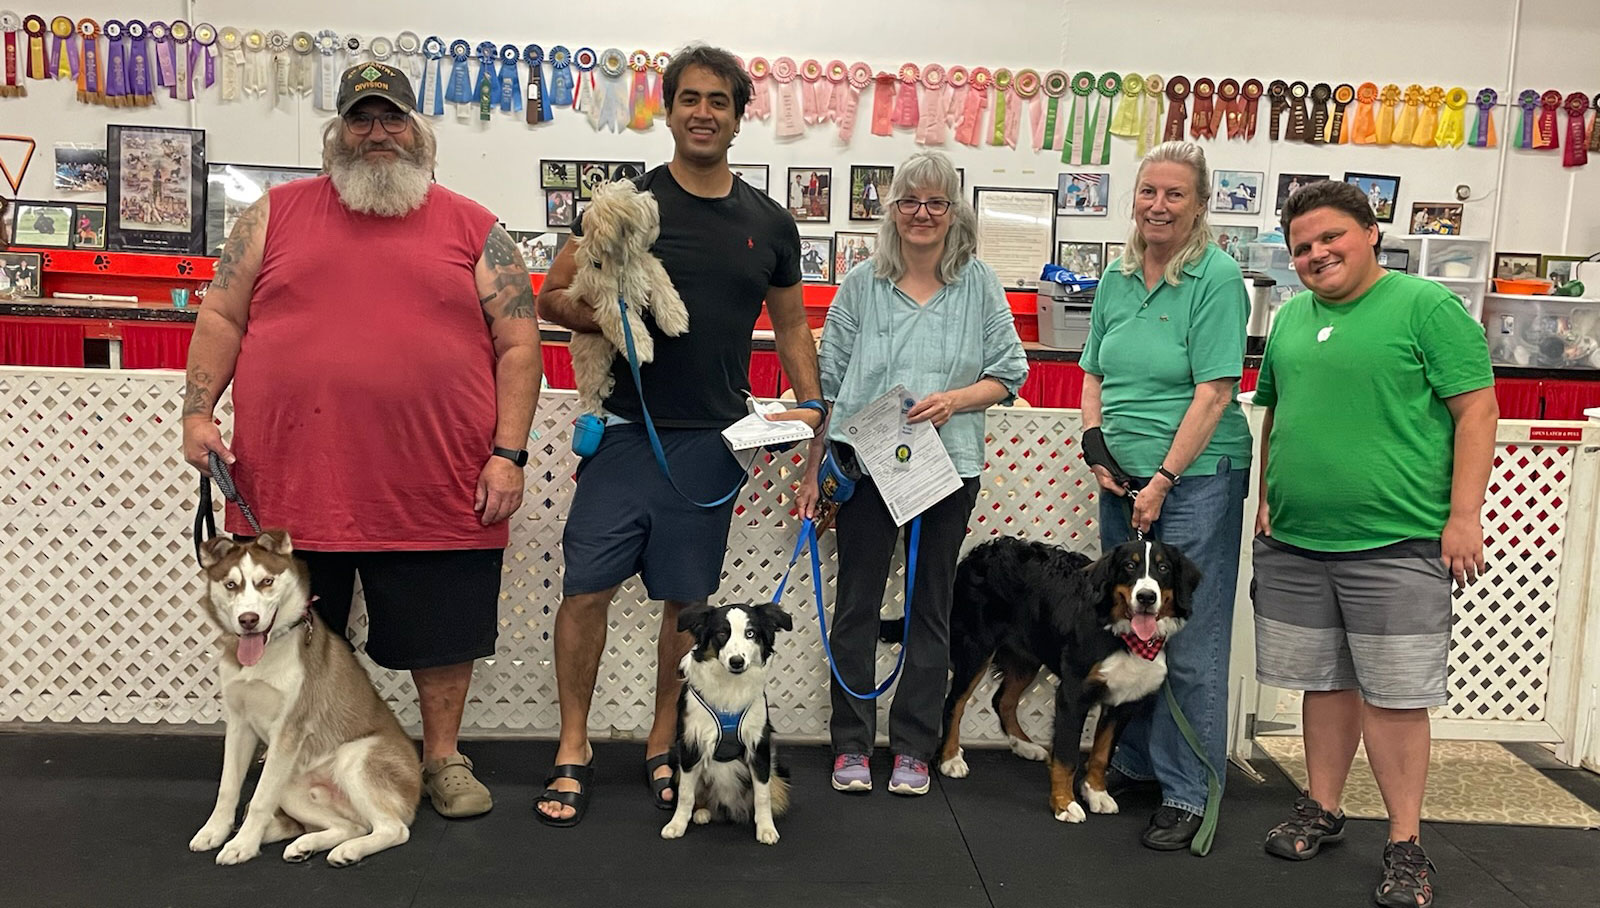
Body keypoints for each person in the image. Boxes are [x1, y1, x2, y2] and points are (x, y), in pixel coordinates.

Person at [180, 62, 543, 820]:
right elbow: (220, 317)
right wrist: (197, 413)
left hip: (437, 484)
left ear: (421, 131)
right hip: (291, 484)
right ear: (336, 135)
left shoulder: (477, 227)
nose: (378, 133)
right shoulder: (272, 215)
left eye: (393, 118)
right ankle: (301, 768)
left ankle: (442, 759)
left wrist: (508, 454)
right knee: (296, 643)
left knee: (443, 637)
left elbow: (519, 344)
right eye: (361, 119)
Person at [533, 43, 825, 826]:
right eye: (689, 98)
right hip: (627, 435)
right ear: (670, 108)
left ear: (738, 116)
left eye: (718, 101)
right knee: (585, 591)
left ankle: (665, 739)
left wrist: (814, 412)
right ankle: (572, 747)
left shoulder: (769, 223)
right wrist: (608, 314)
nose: (703, 112)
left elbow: (793, 326)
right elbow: (552, 295)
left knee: (686, 606)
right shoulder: (624, 206)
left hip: (713, 444)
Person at [1252, 180, 1496, 908]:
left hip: (1398, 541)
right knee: (1323, 682)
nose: (1316, 254)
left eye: (1331, 237)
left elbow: (1478, 409)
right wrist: (1268, 494)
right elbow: (1276, 415)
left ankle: (1405, 843)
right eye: (1301, 247)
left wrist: (1464, 515)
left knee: (1394, 697)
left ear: (1370, 232)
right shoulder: (1291, 319)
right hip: (1297, 541)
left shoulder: (1426, 308)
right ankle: (1322, 809)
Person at [798, 150, 1028, 795]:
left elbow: (1011, 371)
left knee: (933, 610)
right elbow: (832, 386)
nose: (922, 214)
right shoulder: (861, 284)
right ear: (892, 210)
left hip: (947, 470)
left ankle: (913, 749)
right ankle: (849, 743)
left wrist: (956, 400)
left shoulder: (978, 282)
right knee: (856, 607)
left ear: (954, 213)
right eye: (909, 202)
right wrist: (817, 469)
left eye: (936, 203)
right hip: (867, 466)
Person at [1079, 140, 1253, 851]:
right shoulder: (1118, 275)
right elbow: (1093, 371)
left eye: (1174, 194)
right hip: (1122, 480)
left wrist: (1161, 482)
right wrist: (1095, 447)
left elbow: (1214, 391)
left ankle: (1187, 789)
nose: (1158, 205)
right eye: (1148, 191)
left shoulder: (1215, 277)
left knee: (1189, 638)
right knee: (1132, 631)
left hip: (1197, 478)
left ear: (1201, 203)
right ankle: (1136, 762)